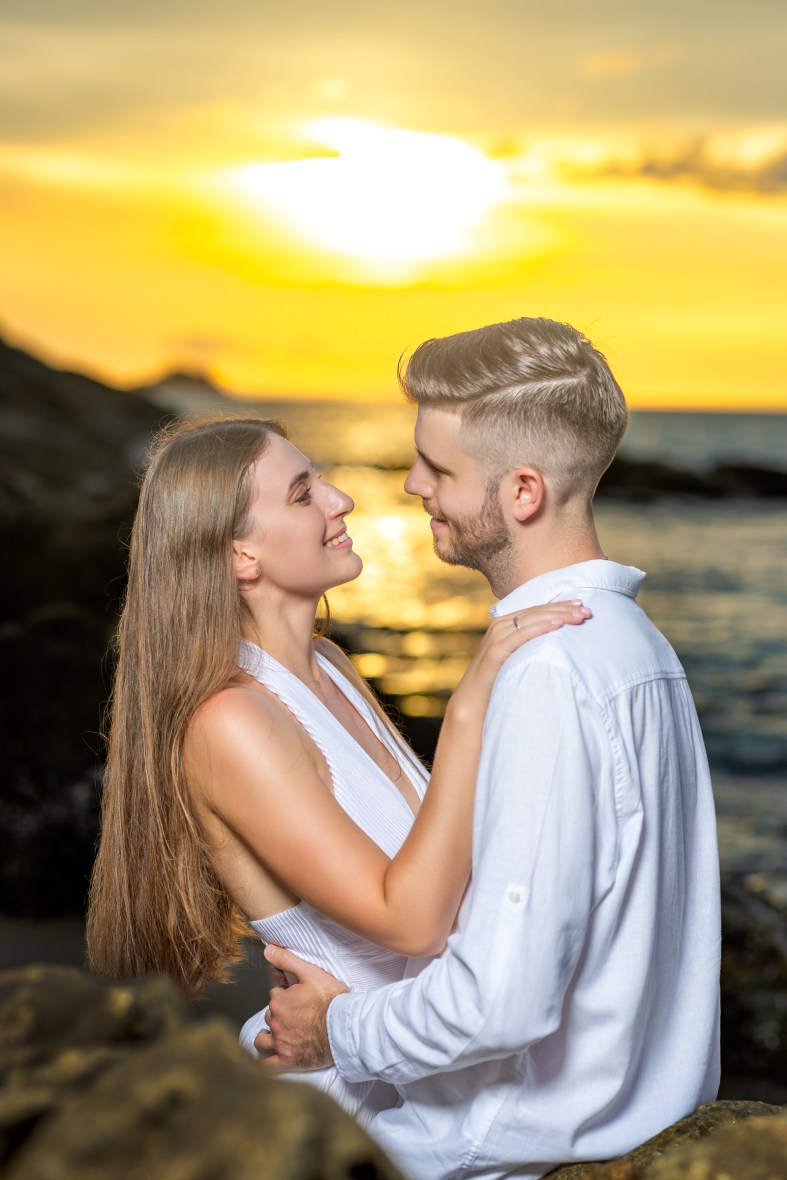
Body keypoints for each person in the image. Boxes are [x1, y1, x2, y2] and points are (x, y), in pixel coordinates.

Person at [257, 317, 721, 1180]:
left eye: (438, 468)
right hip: (631, 1118)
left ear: (522, 493)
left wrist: (335, 1028)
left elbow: (498, 1003)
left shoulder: (549, 672)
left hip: (494, 1151)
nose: (409, 485)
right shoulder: (637, 646)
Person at [85, 413, 589, 1128]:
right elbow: (409, 921)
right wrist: (470, 711)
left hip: (426, 1063)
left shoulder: (328, 665)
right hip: (356, 1107)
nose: (340, 501)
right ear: (240, 557)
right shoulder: (231, 721)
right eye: (301, 494)